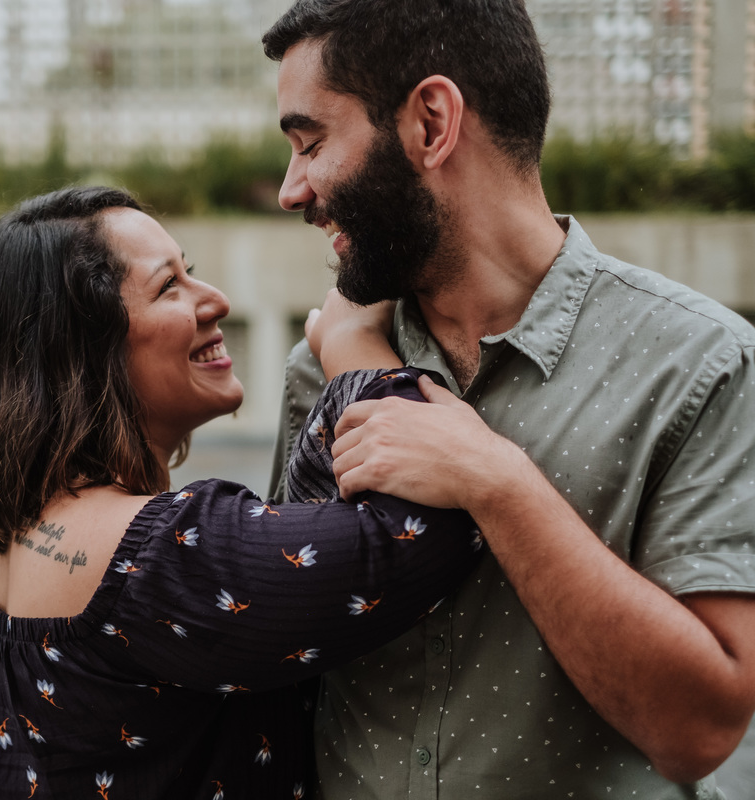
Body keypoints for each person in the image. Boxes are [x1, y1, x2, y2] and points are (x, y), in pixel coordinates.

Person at [261, 1, 755, 798]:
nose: (293, 190)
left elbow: (698, 730)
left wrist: (498, 482)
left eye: (311, 143)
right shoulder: (319, 373)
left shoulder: (701, 364)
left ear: (431, 122)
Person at [0, 185, 483, 799]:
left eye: (191, 272)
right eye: (169, 286)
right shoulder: (155, 558)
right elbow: (426, 528)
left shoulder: (3, 554)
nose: (213, 299)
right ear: (80, 350)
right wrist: (354, 349)